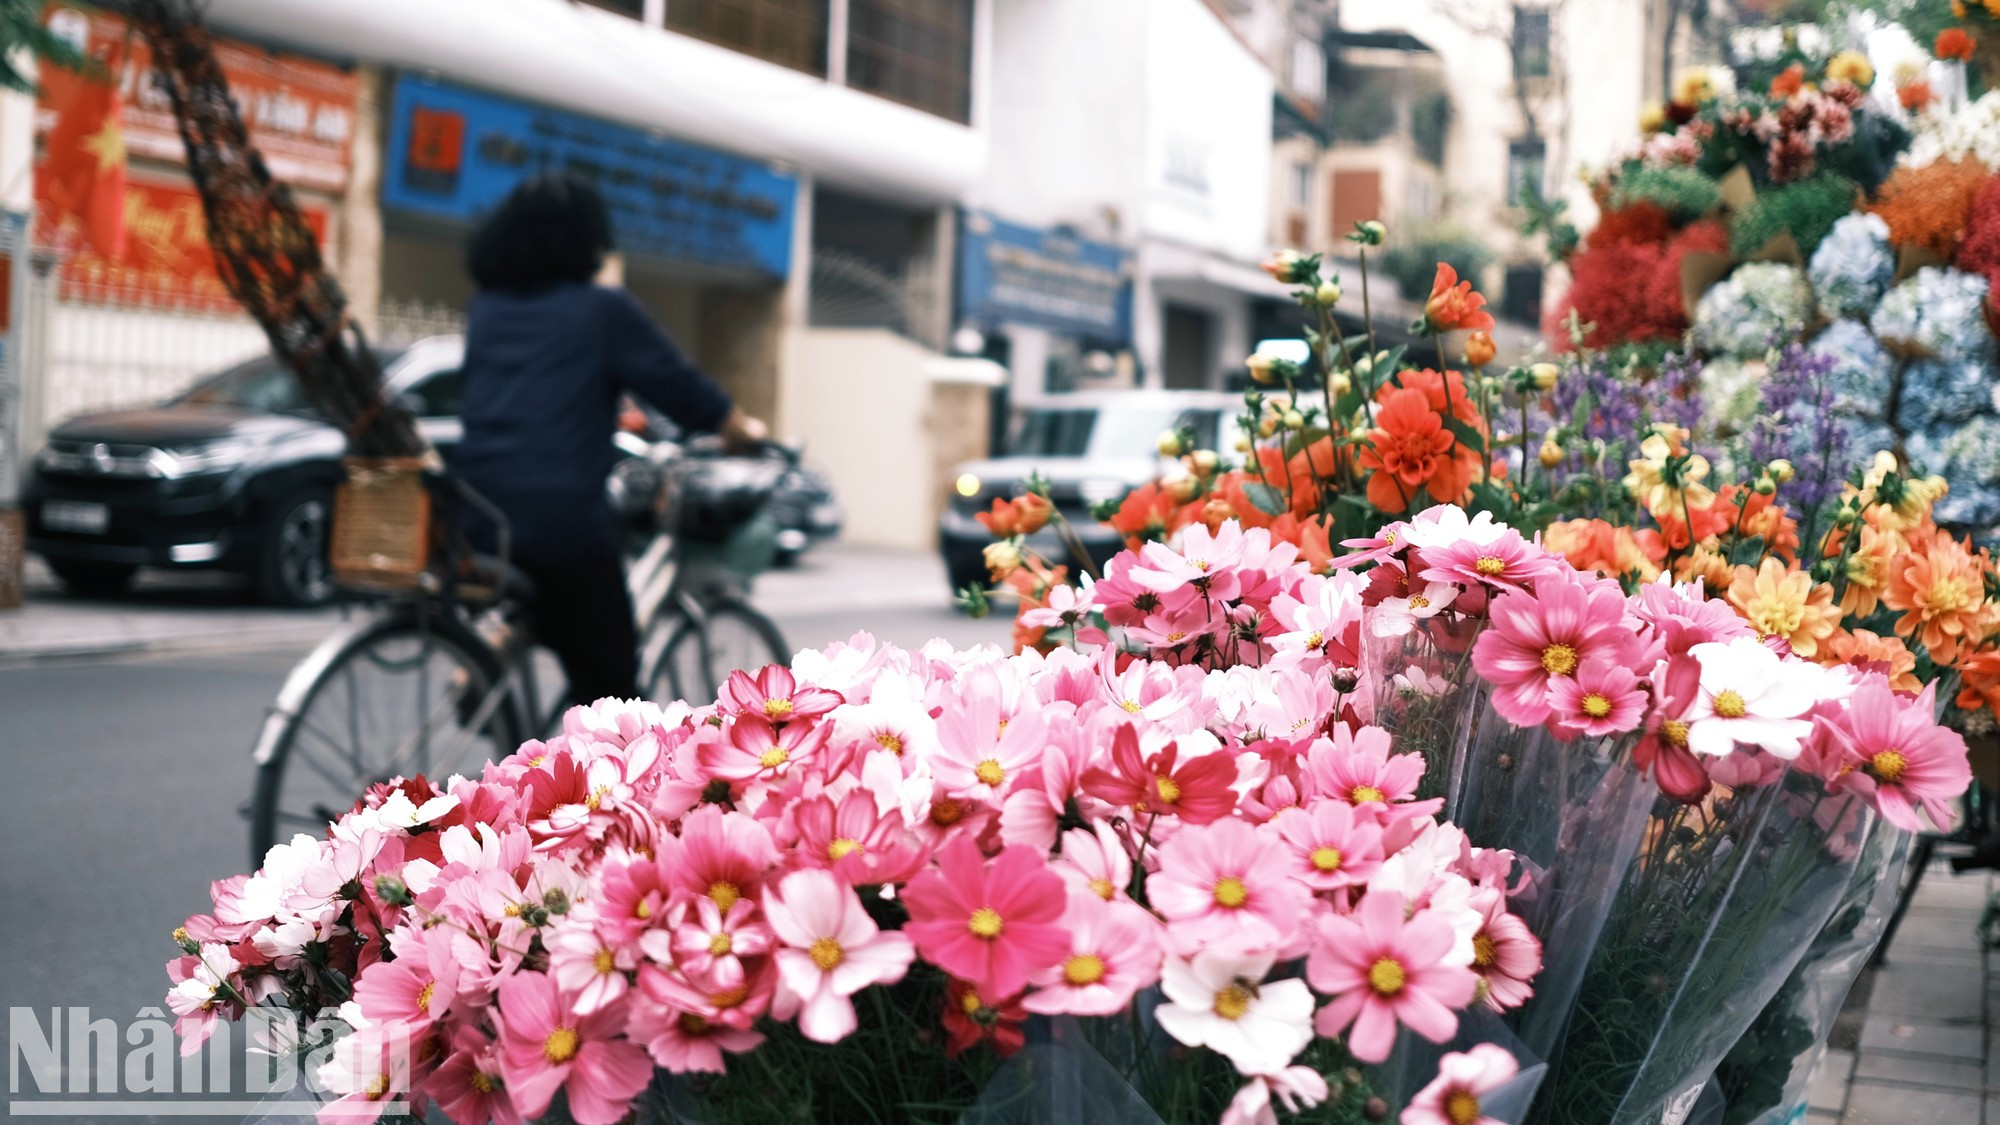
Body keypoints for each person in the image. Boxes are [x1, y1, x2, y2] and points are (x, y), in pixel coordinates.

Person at [455, 172, 766, 705]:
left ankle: (488, 662)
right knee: (611, 688)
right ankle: (586, 753)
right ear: (586, 240)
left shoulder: (487, 310)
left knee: (558, 612)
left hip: (479, 518)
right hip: (561, 526)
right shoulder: (602, 310)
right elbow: (678, 385)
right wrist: (739, 428)